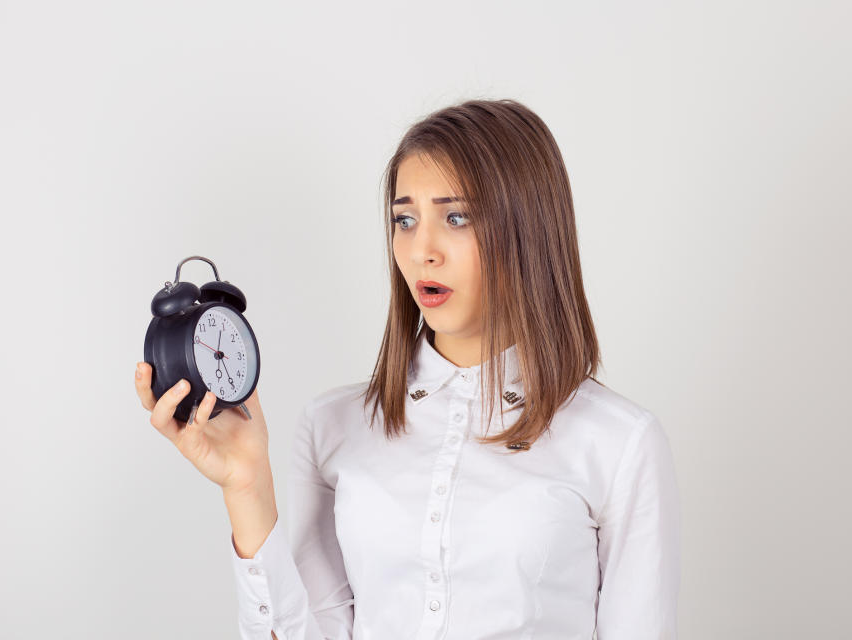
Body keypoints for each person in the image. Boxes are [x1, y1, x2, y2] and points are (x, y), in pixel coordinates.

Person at [134, 98, 680, 639]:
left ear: (528, 230)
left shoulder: (619, 443)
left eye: (457, 216)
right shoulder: (332, 427)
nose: (422, 250)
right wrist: (246, 487)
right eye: (405, 219)